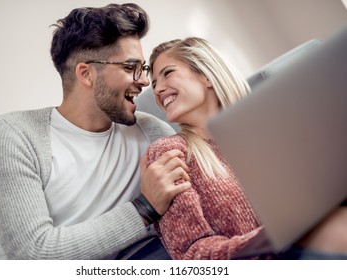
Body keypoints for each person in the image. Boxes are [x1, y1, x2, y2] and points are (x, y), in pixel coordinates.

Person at [0, 3, 191, 260]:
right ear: (86, 74)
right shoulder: (13, 133)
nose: (145, 81)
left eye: (143, 68)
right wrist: (145, 209)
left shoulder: (152, 133)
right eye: (129, 67)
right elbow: (33, 255)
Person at [146, 37, 347, 260]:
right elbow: (192, 253)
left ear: (206, 75)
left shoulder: (272, 130)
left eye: (167, 73)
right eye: (155, 84)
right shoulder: (171, 153)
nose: (158, 89)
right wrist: (275, 239)